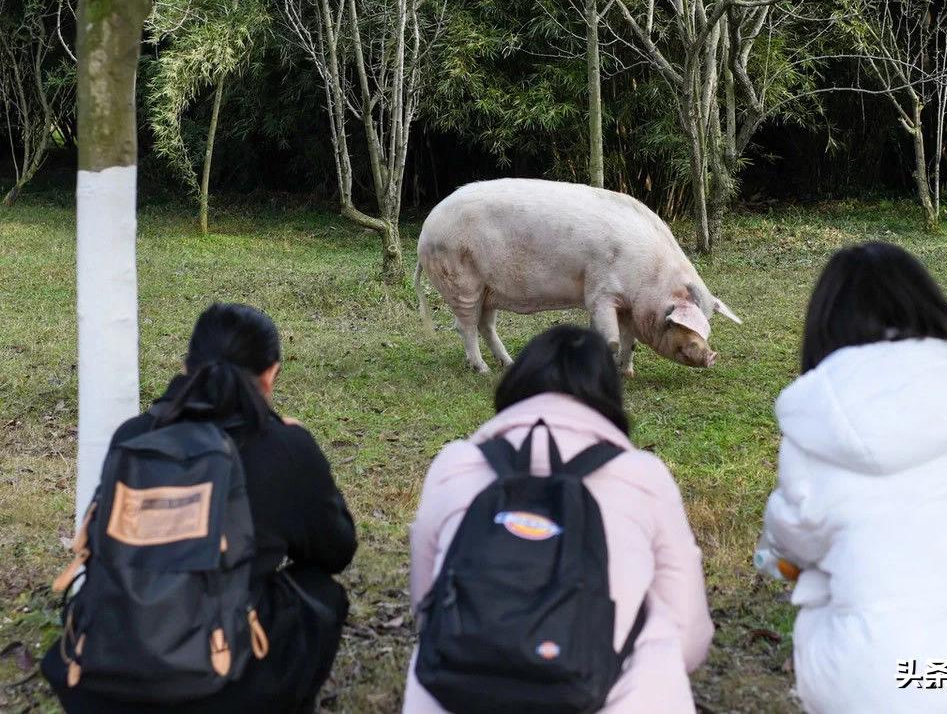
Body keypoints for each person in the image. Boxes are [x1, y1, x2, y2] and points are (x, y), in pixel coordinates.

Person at [761, 242, 947, 714]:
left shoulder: (815, 418)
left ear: (824, 326)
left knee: (820, 581)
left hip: (875, 688)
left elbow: (790, 543)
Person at [42, 303, 357, 713]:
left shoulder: (134, 435)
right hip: (220, 681)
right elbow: (336, 551)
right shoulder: (284, 447)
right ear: (271, 374)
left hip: (104, 673)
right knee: (322, 592)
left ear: (186, 366)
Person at [403, 324, 713, 713]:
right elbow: (688, 631)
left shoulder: (455, 463)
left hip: (458, 690)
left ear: (515, 385)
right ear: (610, 398)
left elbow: (426, 603)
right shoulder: (644, 476)